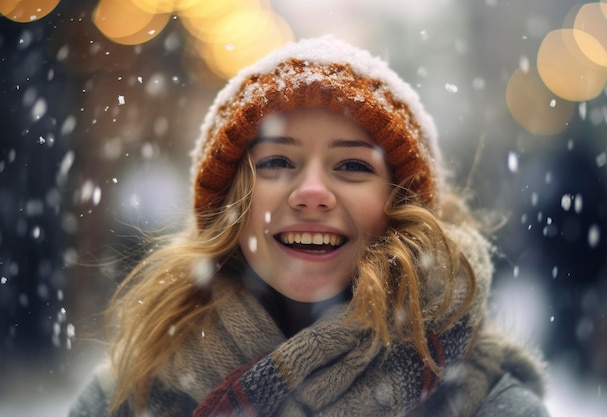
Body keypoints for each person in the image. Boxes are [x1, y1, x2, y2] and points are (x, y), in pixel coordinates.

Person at [68, 36, 550, 417]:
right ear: (232, 204)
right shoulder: (131, 396)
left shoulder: (484, 400)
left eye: (353, 166)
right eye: (278, 161)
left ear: (402, 205)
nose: (312, 191)